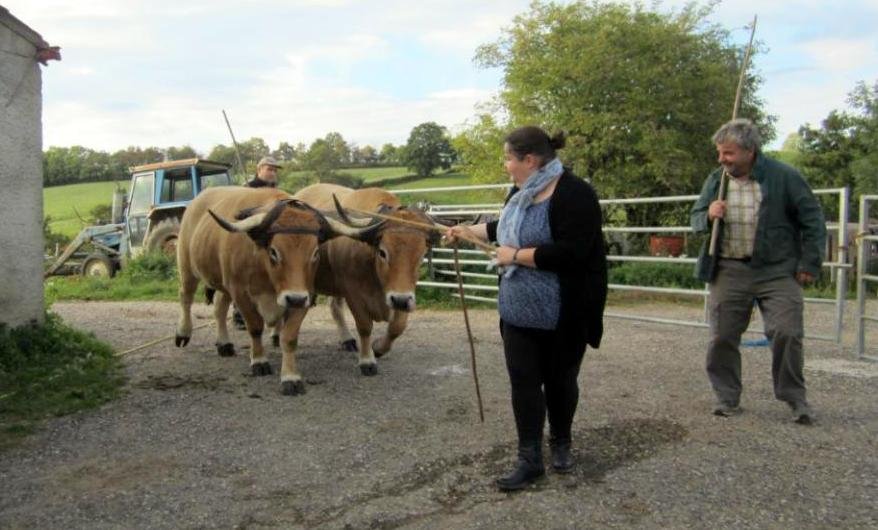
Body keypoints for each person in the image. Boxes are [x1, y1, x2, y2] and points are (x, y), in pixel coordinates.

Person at [445, 126, 607, 491]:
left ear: (529, 160)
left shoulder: (575, 194)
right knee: (523, 383)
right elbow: (502, 228)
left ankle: (561, 441)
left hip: (564, 312)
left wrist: (516, 256)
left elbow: (573, 253)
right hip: (518, 309)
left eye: (508, 159)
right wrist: (467, 232)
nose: (506, 166)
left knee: (561, 382)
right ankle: (529, 458)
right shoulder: (519, 194)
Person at [690, 118, 826, 425]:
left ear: (749, 151)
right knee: (722, 337)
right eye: (719, 152)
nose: (721, 159)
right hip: (729, 268)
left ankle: (795, 398)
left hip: (777, 270)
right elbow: (695, 217)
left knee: (787, 332)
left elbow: (813, 220)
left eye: (728, 153)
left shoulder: (785, 177)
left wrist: (809, 263)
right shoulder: (716, 180)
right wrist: (708, 214)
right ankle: (726, 397)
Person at [233, 156, 284, 329]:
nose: (273, 173)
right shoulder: (246, 189)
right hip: (248, 239)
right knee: (244, 275)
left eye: (275, 170)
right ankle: (239, 313)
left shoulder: (277, 192)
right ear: (259, 169)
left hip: (270, 240)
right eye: (270, 169)